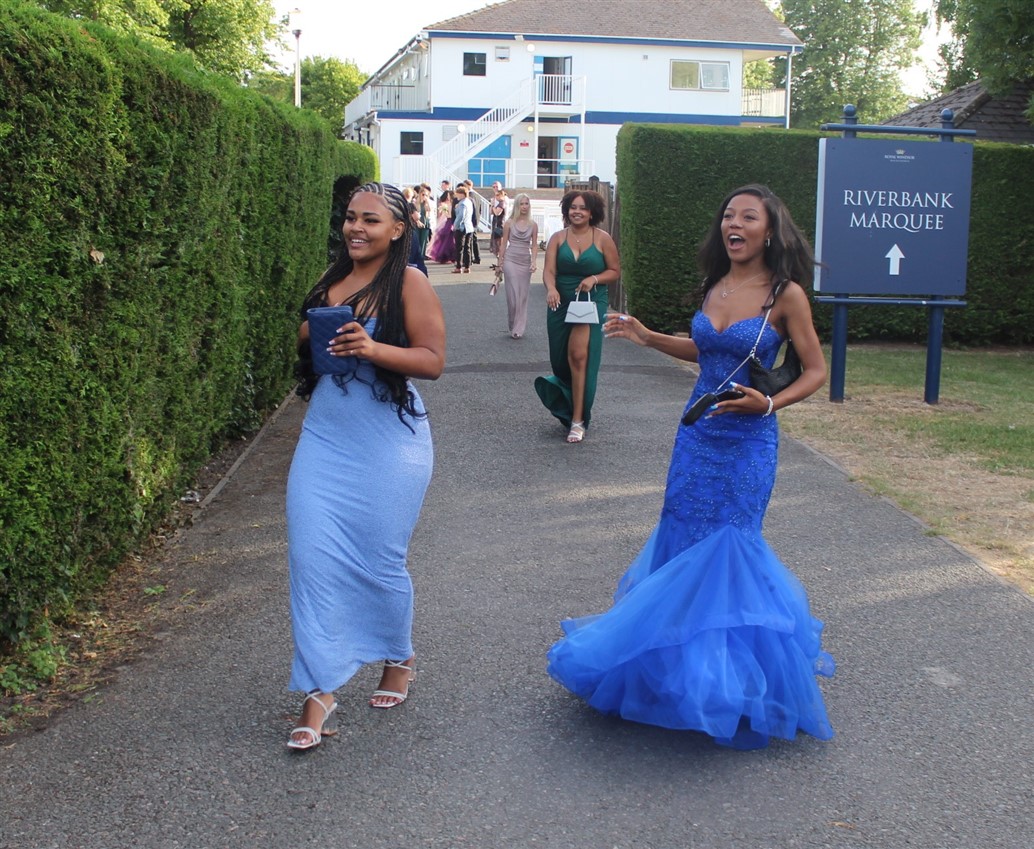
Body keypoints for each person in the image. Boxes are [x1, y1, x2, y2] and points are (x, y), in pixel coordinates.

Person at [546, 184, 834, 750]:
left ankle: (729, 683)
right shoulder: (716, 284)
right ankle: (676, 671)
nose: (734, 224)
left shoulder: (786, 295)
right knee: (682, 537)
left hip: (748, 442)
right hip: (697, 435)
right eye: (728, 215)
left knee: (729, 545)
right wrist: (648, 337)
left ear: (769, 231)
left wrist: (770, 403)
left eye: (748, 217)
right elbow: (706, 351)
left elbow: (815, 370)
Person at [286, 181, 446, 751]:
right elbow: (306, 344)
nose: (356, 228)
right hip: (325, 439)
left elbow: (432, 360)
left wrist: (372, 348)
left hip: (391, 443)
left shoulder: (410, 282)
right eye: (352, 217)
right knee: (310, 560)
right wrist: (314, 330)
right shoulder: (332, 278)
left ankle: (398, 656)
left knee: (380, 561)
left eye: (370, 220)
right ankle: (319, 693)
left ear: (398, 230)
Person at [534, 189, 620, 443]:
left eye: (583, 208)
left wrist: (594, 278)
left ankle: (578, 420)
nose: (577, 212)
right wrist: (551, 289)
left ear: (592, 212)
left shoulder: (602, 239)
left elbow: (614, 271)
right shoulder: (557, 238)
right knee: (561, 361)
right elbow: (549, 271)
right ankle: (569, 402)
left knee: (579, 356)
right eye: (573, 207)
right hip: (560, 302)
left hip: (590, 302)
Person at [496, 193, 538, 339]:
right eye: (522, 204)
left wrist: (534, 261)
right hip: (510, 260)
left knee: (522, 296)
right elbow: (503, 244)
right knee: (513, 295)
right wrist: (499, 263)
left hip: (525, 260)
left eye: (527, 203)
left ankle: (518, 328)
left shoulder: (533, 225)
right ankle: (512, 320)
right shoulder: (509, 223)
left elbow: (534, 245)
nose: (524, 206)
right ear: (517, 206)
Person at [428, 189, 455, 264]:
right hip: (449, 222)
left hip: (450, 222)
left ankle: (449, 256)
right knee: (448, 240)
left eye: (448, 196)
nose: (448, 198)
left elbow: (448, 215)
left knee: (449, 240)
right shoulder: (451, 205)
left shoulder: (450, 205)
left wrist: (444, 210)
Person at [452, 184, 474, 274]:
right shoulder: (469, 201)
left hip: (462, 228)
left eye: (457, 194)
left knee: (459, 248)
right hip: (469, 227)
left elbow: (461, 216)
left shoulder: (462, 204)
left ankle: (458, 267)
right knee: (467, 247)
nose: (456, 195)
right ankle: (467, 267)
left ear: (462, 194)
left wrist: (455, 226)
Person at [489, 182, 508, 256]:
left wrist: (493, 206)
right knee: (495, 241)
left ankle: (501, 258)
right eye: (493, 187)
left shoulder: (503, 200)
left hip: (501, 222)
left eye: (497, 186)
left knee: (500, 241)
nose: (495, 188)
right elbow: (491, 212)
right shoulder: (493, 199)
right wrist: (492, 205)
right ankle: (498, 256)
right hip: (495, 221)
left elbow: (498, 212)